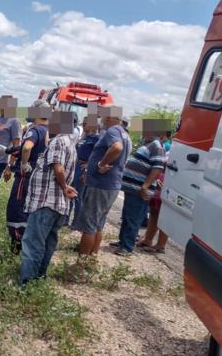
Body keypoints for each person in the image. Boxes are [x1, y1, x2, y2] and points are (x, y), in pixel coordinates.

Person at [19, 112, 78, 286]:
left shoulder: (58, 141)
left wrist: (64, 186)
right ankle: (39, 278)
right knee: (47, 243)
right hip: (57, 204)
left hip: (46, 202)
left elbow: (58, 169)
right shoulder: (70, 143)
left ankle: (27, 283)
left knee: (33, 243)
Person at [74, 106, 131, 257]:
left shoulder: (113, 131)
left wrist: (101, 164)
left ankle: (82, 262)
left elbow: (116, 147)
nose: (102, 120)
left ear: (111, 118)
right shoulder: (124, 133)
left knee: (89, 225)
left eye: (104, 116)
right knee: (98, 224)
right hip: (110, 185)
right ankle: (92, 256)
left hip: (101, 185)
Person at [112, 121, 165, 256]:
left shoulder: (156, 146)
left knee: (133, 218)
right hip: (133, 188)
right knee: (128, 216)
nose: (143, 132)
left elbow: (157, 167)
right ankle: (122, 242)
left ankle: (127, 247)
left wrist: (145, 186)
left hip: (139, 189)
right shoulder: (148, 144)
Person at [5, 101, 49, 253]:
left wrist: (23, 163)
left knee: (16, 210)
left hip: (26, 177)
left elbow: (28, 147)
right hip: (38, 178)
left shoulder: (35, 130)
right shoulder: (48, 130)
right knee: (28, 211)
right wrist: (9, 151)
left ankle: (16, 247)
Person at [69, 114, 100, 227]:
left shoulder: (96, 138)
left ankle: (76, 222)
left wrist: (88, 165)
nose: (83, 125)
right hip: (76, 166)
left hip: (83, 168)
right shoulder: (84, 137)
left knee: (78, 196)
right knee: (70, 192)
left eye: (86, 123)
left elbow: (98, 155)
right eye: (83, 123)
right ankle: (66, 219)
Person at [137, 166, 168, 254]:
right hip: (160, 182)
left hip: (168, 183)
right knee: (154, 213)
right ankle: (148, 240)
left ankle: (160, 245)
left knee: (164, 216)